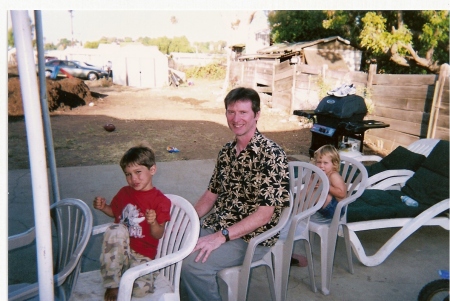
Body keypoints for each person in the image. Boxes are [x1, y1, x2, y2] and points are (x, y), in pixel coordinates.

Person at [181, 87, 290, 301]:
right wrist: (187, 220)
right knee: (173, 249)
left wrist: (221, 236)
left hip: (251, 236)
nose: (236, 119)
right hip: (218, 224)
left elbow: (265, 215)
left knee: (193, 266)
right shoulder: (226, 151)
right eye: (231, 112)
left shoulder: (272, 155)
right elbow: (210, 195)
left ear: (256, 115)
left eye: (243, 112)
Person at [93, 144, 171, 301]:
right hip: (119, 251)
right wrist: (103, 207)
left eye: (138, 172)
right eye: (128, 174)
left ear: (152, 170)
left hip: (143, 255)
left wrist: (153, 222)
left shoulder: (161, 201)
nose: (133, 179)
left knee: (141, 291)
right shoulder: (124, 193)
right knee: (116, 229)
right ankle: (113, 285)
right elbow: (115, 212)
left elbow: (158, 233)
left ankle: (123, 274)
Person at [290, 144, 347, 267]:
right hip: (319, 207)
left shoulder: (333, 175)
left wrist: (326, 187)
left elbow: (342, 194)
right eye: (319, 162)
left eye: (325, 163)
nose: (321, 165)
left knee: (318, 192)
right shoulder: (318, 173)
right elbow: (307, 185)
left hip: (334, 210)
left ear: (334, 164)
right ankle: (293, 207)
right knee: (309, 186)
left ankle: (296, 210)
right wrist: (311, 182)